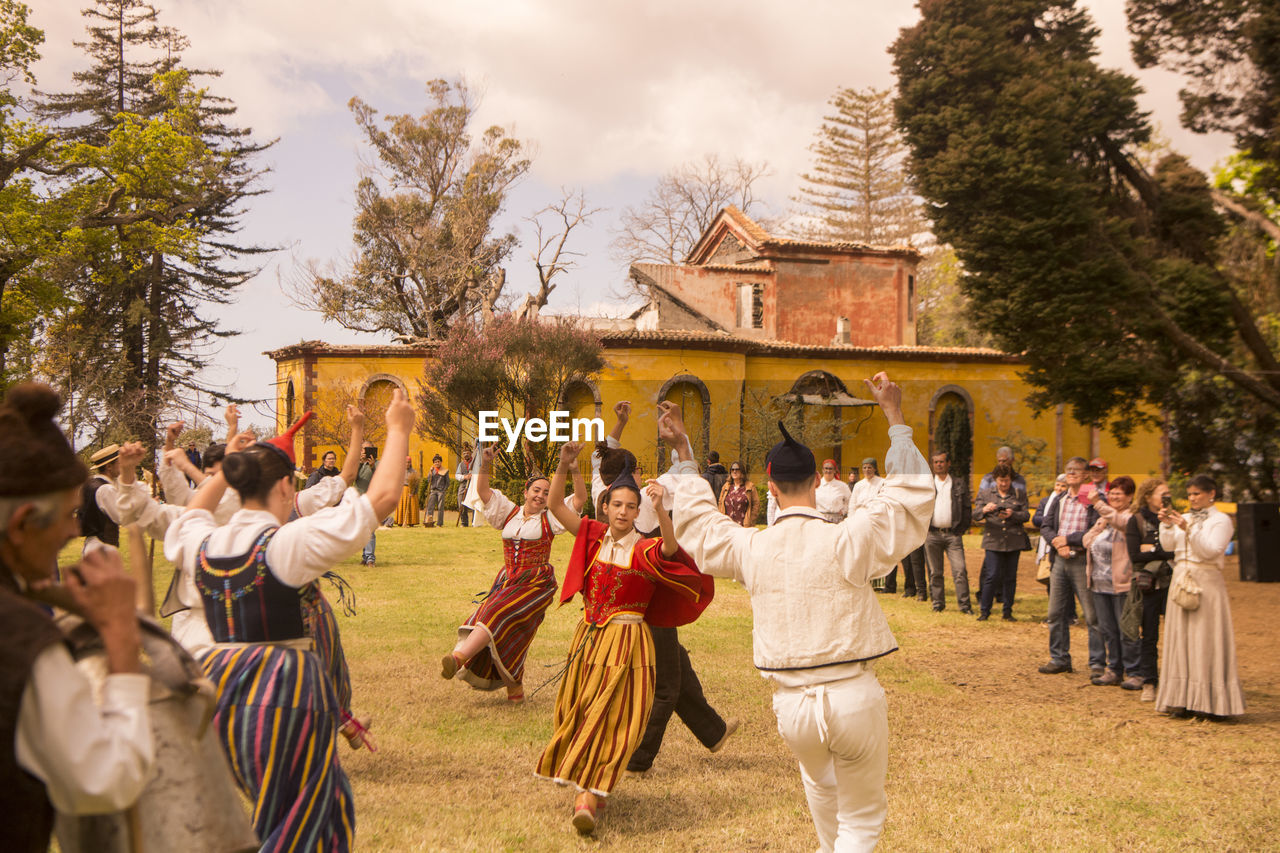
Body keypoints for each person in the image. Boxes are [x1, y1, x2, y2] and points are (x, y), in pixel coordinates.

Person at [670, 372, 933, 853]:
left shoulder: (753, 547)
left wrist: (686, 456)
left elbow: (701, 529)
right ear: (817, 481)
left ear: (769, 485)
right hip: (851, 695)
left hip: (793, 707)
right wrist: (894, 416)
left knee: (823, 796)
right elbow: (910, 500)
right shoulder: (847, 538)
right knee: (862, 821)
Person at [164, 390, 412, 852]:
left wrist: (225, 471)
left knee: (283, 812)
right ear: (284, 488)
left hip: (219, 694)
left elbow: (194, 512)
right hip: (282, 692)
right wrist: (398, 428)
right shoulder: (283, 546)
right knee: (305, 826)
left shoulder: (202, 545)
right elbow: (380, 499)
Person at [0, 384, 154, 853]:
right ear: (23, 522)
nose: (73, 528)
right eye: (68, 514)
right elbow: (106, 779)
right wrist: (122, 639)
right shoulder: (22, 640)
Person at [534, 440, 713, 835]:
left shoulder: (647, 548)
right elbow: (556, 507)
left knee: (613, 717)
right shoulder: (593, 536)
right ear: (606, 507)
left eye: (631, 507)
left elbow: (670, 546)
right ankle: (586, 785)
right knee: (579, 711)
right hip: (589, 640)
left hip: (628, 646)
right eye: (617, 505)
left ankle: (588, 799)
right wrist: (565, 465)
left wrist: (663, 509)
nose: (624, 512)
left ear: (638, 512)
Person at [442, 445, 585, 703]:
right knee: (509, 632)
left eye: (545, 492)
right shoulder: (510, 512)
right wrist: (484, 464)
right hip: (508, 580)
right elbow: (483, 492)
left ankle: (458, 657)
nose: (540, 496)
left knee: (495, 615)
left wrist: (572, 470)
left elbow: (578, 500)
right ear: (525, 492)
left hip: (535, 582)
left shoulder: (550, 518)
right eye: (536, 491)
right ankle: (514, 688)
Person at [1155, 475, 1245, 719]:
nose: (1192, 498)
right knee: (1181, 638)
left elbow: (1211, 551)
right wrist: (1165, 524)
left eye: (1197, 493)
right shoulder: (1185, 517)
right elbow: (1169, 546)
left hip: (1206, 582)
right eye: (1190, 494)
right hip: (1181, 577)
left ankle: (1211, 703)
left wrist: (1189, 529)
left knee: (1205, 639)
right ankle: (1181, 700)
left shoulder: (1221, 520)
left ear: (1211, 493)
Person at [1038, 457, 1104, 676]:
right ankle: (1059, 658)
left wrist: (1070, 540)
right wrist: (1057, 542)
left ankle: (1097, 663)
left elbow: (1097, 528)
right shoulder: (1059, 499)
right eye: (1068, 470)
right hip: (1059, 561)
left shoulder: (1093, 499)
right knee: (1055, 613)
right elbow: (1045, 526)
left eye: (1077, 470)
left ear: (1086, 475)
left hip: (1082, 561)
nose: (1072, 473)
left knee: (1092, 616)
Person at [1082, 476, 1142, 687]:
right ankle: (1114, 669)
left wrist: (1099, 504)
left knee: (1127, 629)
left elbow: (1121, 523)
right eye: (1112, 493)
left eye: (1120, 493)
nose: (1115, 497)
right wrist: (1101, 523)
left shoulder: (1131, 517)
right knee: (1108, 629)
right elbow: (1086, 540)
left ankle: (1134, 671)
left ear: (1130, 497)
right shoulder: (1104, 517)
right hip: (1100, 583)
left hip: (1122, 583)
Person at [1127, 478, 1175, 702]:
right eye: (1161, 494)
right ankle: (1149, 681)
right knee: (1149, 634)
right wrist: (1162, 551)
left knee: (1177, 633)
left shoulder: (1176, 518)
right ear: (1148, 496)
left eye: (1168, 494)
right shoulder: (1136, 520)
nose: (1166, 497)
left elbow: (1179, 549)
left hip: (1174, 582)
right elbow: (1136, 555)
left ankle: (1176, 681)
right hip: (1149, 586)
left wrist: (1154, 549)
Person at [972, 464, 1029, 621]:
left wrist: (1012, 514)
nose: (1004, 484)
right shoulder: (985, 494)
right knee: (992, 575)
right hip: (993, 540)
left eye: (1007, 480)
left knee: (1010, 577)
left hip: (1013, 540)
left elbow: (1025, 515)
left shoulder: (1019, 494)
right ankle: (985, 611)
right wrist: (985, 510)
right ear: (995, 480)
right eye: (1001, 481)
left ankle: (1007, 611)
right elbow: (975, 515)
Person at [925, 450, 972, 613]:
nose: (939, 464)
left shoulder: (958, 483)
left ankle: (965, 606)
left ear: (948, 463)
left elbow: (967, 509)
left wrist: (961, 530)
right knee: (935, 572)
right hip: (932, 535)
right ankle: (938, 604)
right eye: (936, 462)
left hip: (953, 535)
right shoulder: (928, 485)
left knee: (959, 571)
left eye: (942, 461)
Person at [718, 460, 759, 526]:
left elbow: (756, 505)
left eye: (737, 469)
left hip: (743, 526)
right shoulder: (726, 486)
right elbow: (720, 502)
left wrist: (751, 521)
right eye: (732, 469)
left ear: (742, 471)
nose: (734, 471)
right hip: (727, 526)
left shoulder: (750, 486)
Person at [356, 442, 378, 566]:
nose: (363, 451)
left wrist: (372, 466)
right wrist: (359, 463)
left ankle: (370, 559)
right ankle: (365, 556)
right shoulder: (359, 463)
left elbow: (381, 478)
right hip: (359, 501)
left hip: (371, 501)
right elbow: (353, 477)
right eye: (362, 449)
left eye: (366, 449)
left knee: (370, 530)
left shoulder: (377, 464)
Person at [815, 459, 851, 523]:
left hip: (836, 520)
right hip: (820, 519)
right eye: (826, 468)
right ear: (822, 470)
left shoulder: (842, 486)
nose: (828, 471)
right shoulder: (816, 485)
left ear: (834, 470)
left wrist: (843, 511)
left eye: (830, 469)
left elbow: (850, 500)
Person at [423, 454, 449, 527]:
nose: (437, 463)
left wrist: (444, 490)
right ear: (433, 463)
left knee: (440, 507)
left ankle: (439, 523)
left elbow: (447, 482)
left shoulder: (445, 471)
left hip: (441, 491)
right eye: (435, 462)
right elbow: (429, 480)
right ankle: (429, 522)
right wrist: (430, 472)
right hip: (433, 490)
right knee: (430, 506)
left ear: (441, 462)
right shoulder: (432, 470)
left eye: (438, 461)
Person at [396, 456, 421, 527]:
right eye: (406, 462)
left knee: (411, 506)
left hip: (411, 490)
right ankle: (401, 521)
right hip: (402, 491)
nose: (407, 464)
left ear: (411, 463)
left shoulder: (414, 472)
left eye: (409, 462)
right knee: (402, 506)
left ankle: (411, 522)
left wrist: (413, 492)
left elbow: (416, 484)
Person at [456, 447, 475, 527]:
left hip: (473, 485)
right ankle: (464, 523)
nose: (466, 455)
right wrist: (464, 477)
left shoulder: (475, 463)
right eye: (464, 453)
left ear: (471, 453)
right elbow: (457, 475)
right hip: (463, 485)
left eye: (467, 453)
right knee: (461, 503)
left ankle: (475, 522)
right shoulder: (461, 464)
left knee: (474, 504)